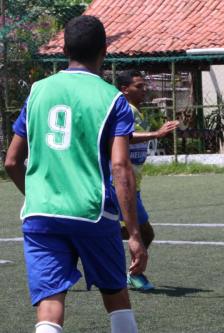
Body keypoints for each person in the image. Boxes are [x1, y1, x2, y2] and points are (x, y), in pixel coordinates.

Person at [4, 16, 147, 333]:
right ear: (105, 51)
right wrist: (134, 234)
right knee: (116, 296)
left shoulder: (38, 92)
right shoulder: (112, 99)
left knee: (50, 304)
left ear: (65, 49)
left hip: (41, 213)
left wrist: (39, 194)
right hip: (92, 212)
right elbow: (121, 168)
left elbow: (12, 161)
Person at [113, 69, 178, 290]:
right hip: (119, 185)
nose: (144, 90)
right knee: (144, 233)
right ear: (124, 90)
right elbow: (124, 137)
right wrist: (156, 134)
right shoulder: (125, 109)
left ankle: (84, 241)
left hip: (134, 185)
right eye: (138, 86)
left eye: (144, 85)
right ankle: (135, 273)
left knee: (137, 232)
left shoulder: (136, 111)